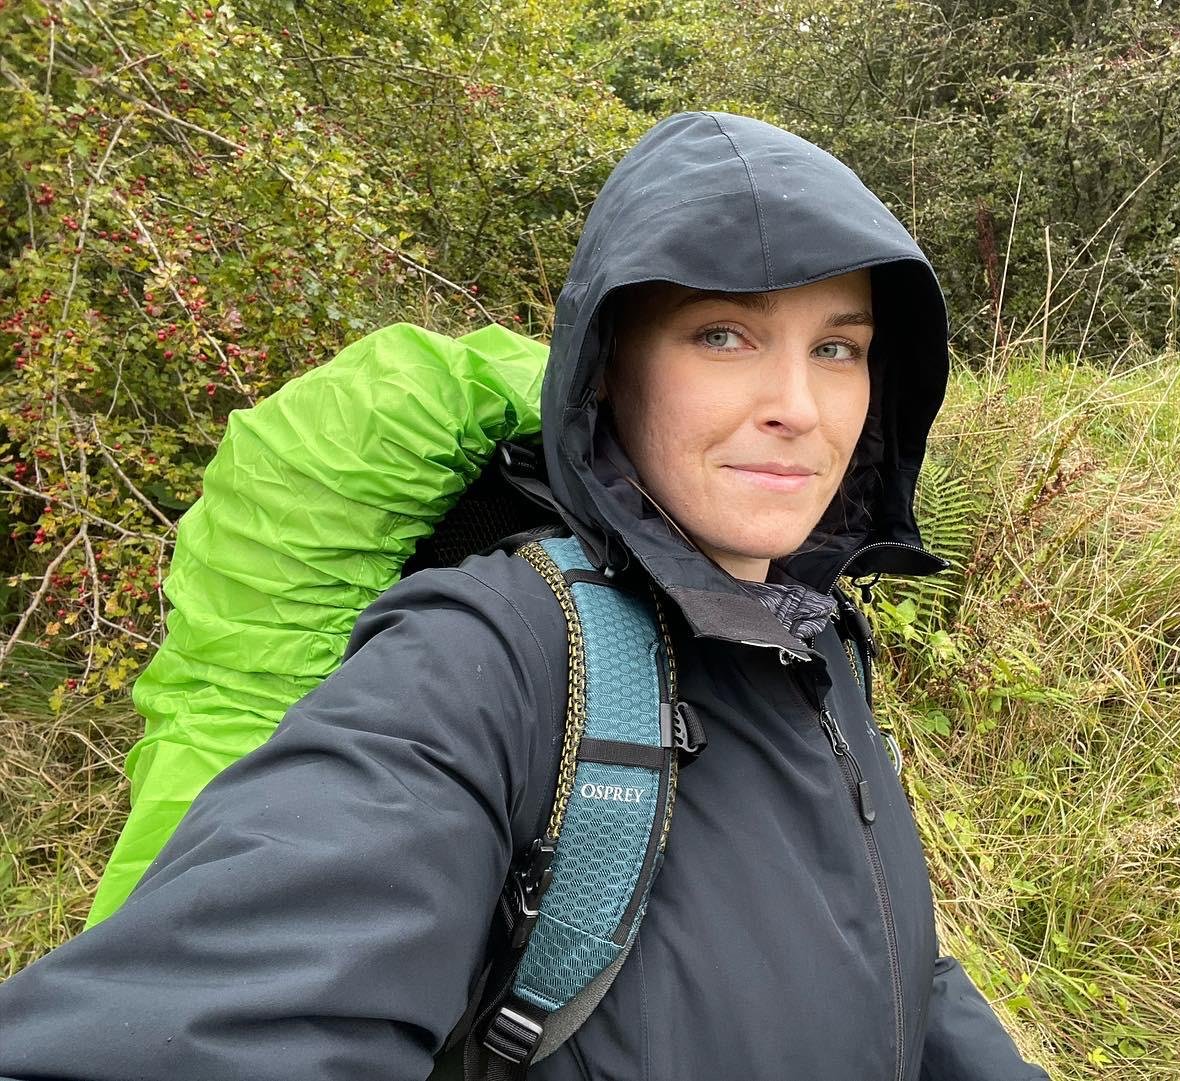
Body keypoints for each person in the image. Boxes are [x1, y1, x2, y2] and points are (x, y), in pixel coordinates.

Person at [0, 111, 1050, 1081]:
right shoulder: (490, 655)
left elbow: (889, 956)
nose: (798, 406)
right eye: (722, 335)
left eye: (837, 348)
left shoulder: (813, 635)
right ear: (607, 366)